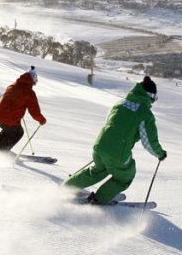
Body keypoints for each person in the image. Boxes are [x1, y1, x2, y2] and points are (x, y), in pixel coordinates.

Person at [64, 76, 166, 205]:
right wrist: (160, 154)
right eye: (154, 99)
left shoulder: (120, 103)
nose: (152, 103)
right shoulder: (144, 113)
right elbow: (149, 142)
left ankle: (66, 188)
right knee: (125, 176)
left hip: (99, 145)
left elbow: (111, 123)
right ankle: (97, 199)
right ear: (150, 96)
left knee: (97, 170)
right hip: (118, 153)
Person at [0, 66, 46, 153]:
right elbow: (34, 111)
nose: (35, 83)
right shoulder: (29, 92)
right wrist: (41, 120)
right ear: (33, 79)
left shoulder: (13, 85)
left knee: (8, 130)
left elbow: (11, 100)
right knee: (18, 132)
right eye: (35, 81)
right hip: (9, 116)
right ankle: (2, 151)